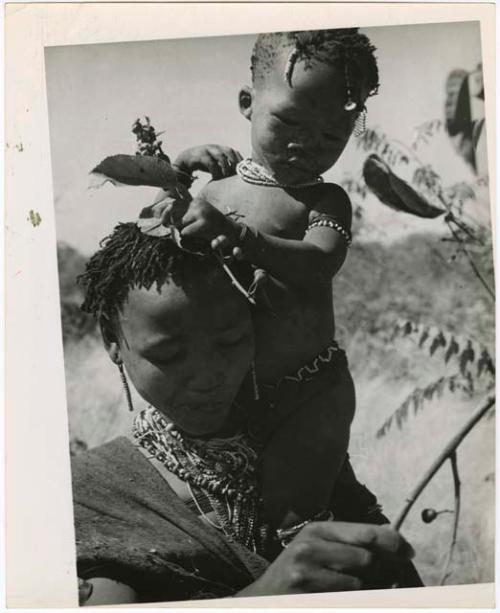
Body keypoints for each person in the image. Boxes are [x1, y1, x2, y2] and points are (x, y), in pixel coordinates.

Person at [73, 222, 421, 605]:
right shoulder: (94, 491)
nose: (207, 377)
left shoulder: (303, 442)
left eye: (231, 341)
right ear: (112, 341)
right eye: (168, 355)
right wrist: (265, 596)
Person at [146, 28, 379, 530]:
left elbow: (318, 266)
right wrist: (177, 178)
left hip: (311, 390)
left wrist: (237, 234)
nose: (305, 143)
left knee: (295, 519)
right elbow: (155, 244)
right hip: (231, 398)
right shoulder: (218, 190)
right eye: (289, 120)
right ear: (248, 103)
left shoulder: (325, 200)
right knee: (237, 521)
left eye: (331, 136)